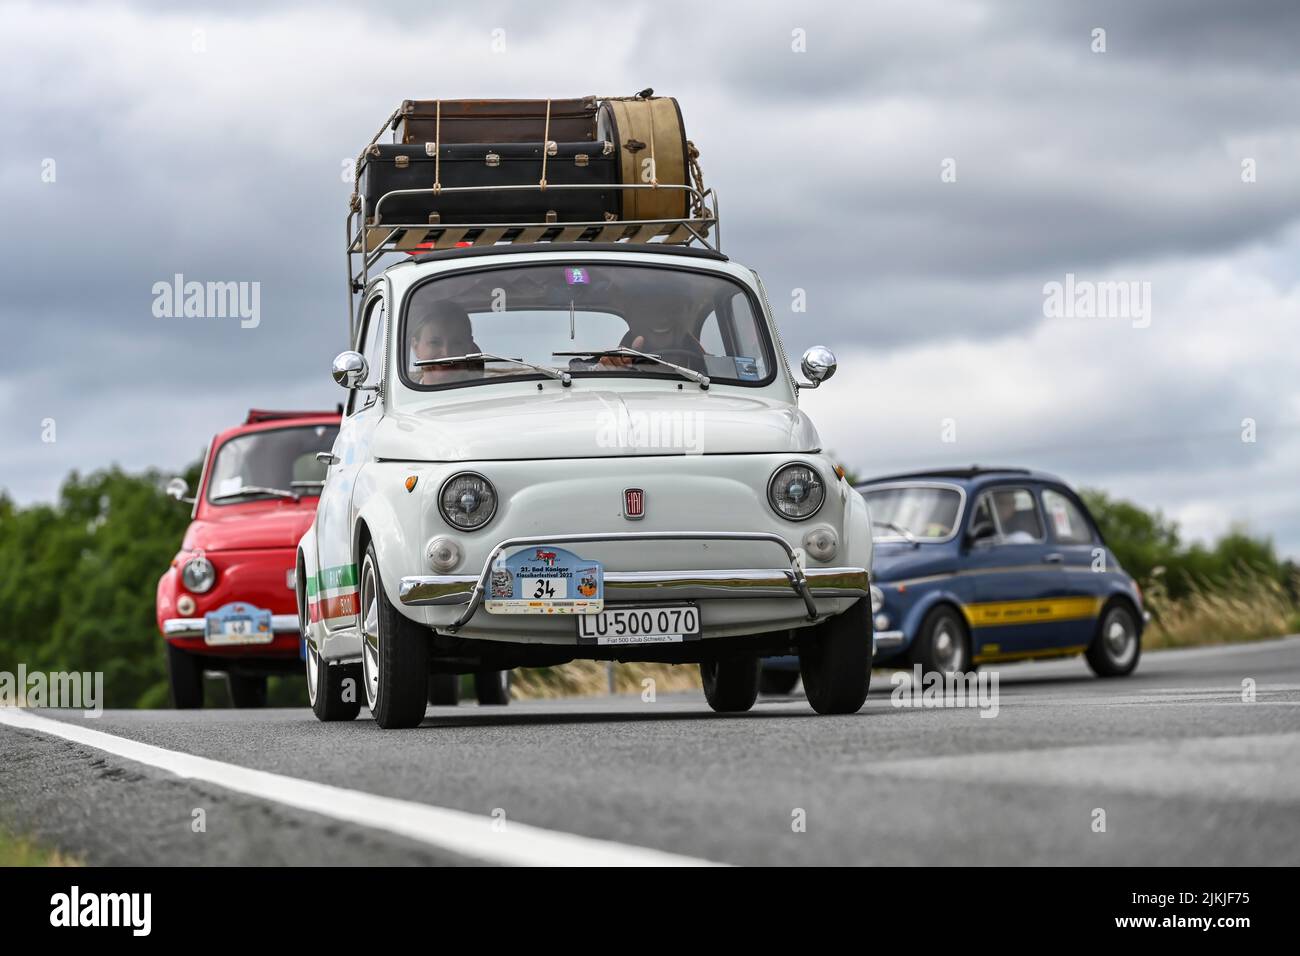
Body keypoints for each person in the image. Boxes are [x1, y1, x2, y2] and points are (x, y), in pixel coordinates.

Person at [598, 289, 707, 373]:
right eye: (649, 308)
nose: (662, 318)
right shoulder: (607, 366)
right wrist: (607, 371)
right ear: (631, 316)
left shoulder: (712, 370)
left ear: (688, 314)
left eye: (673, 307)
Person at [409, 301, 483, 385]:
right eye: (434, 343)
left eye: (456, 343)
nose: (446, 353)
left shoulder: (488, 395)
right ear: (415, 347)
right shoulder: (403, 396)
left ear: (469, 347)